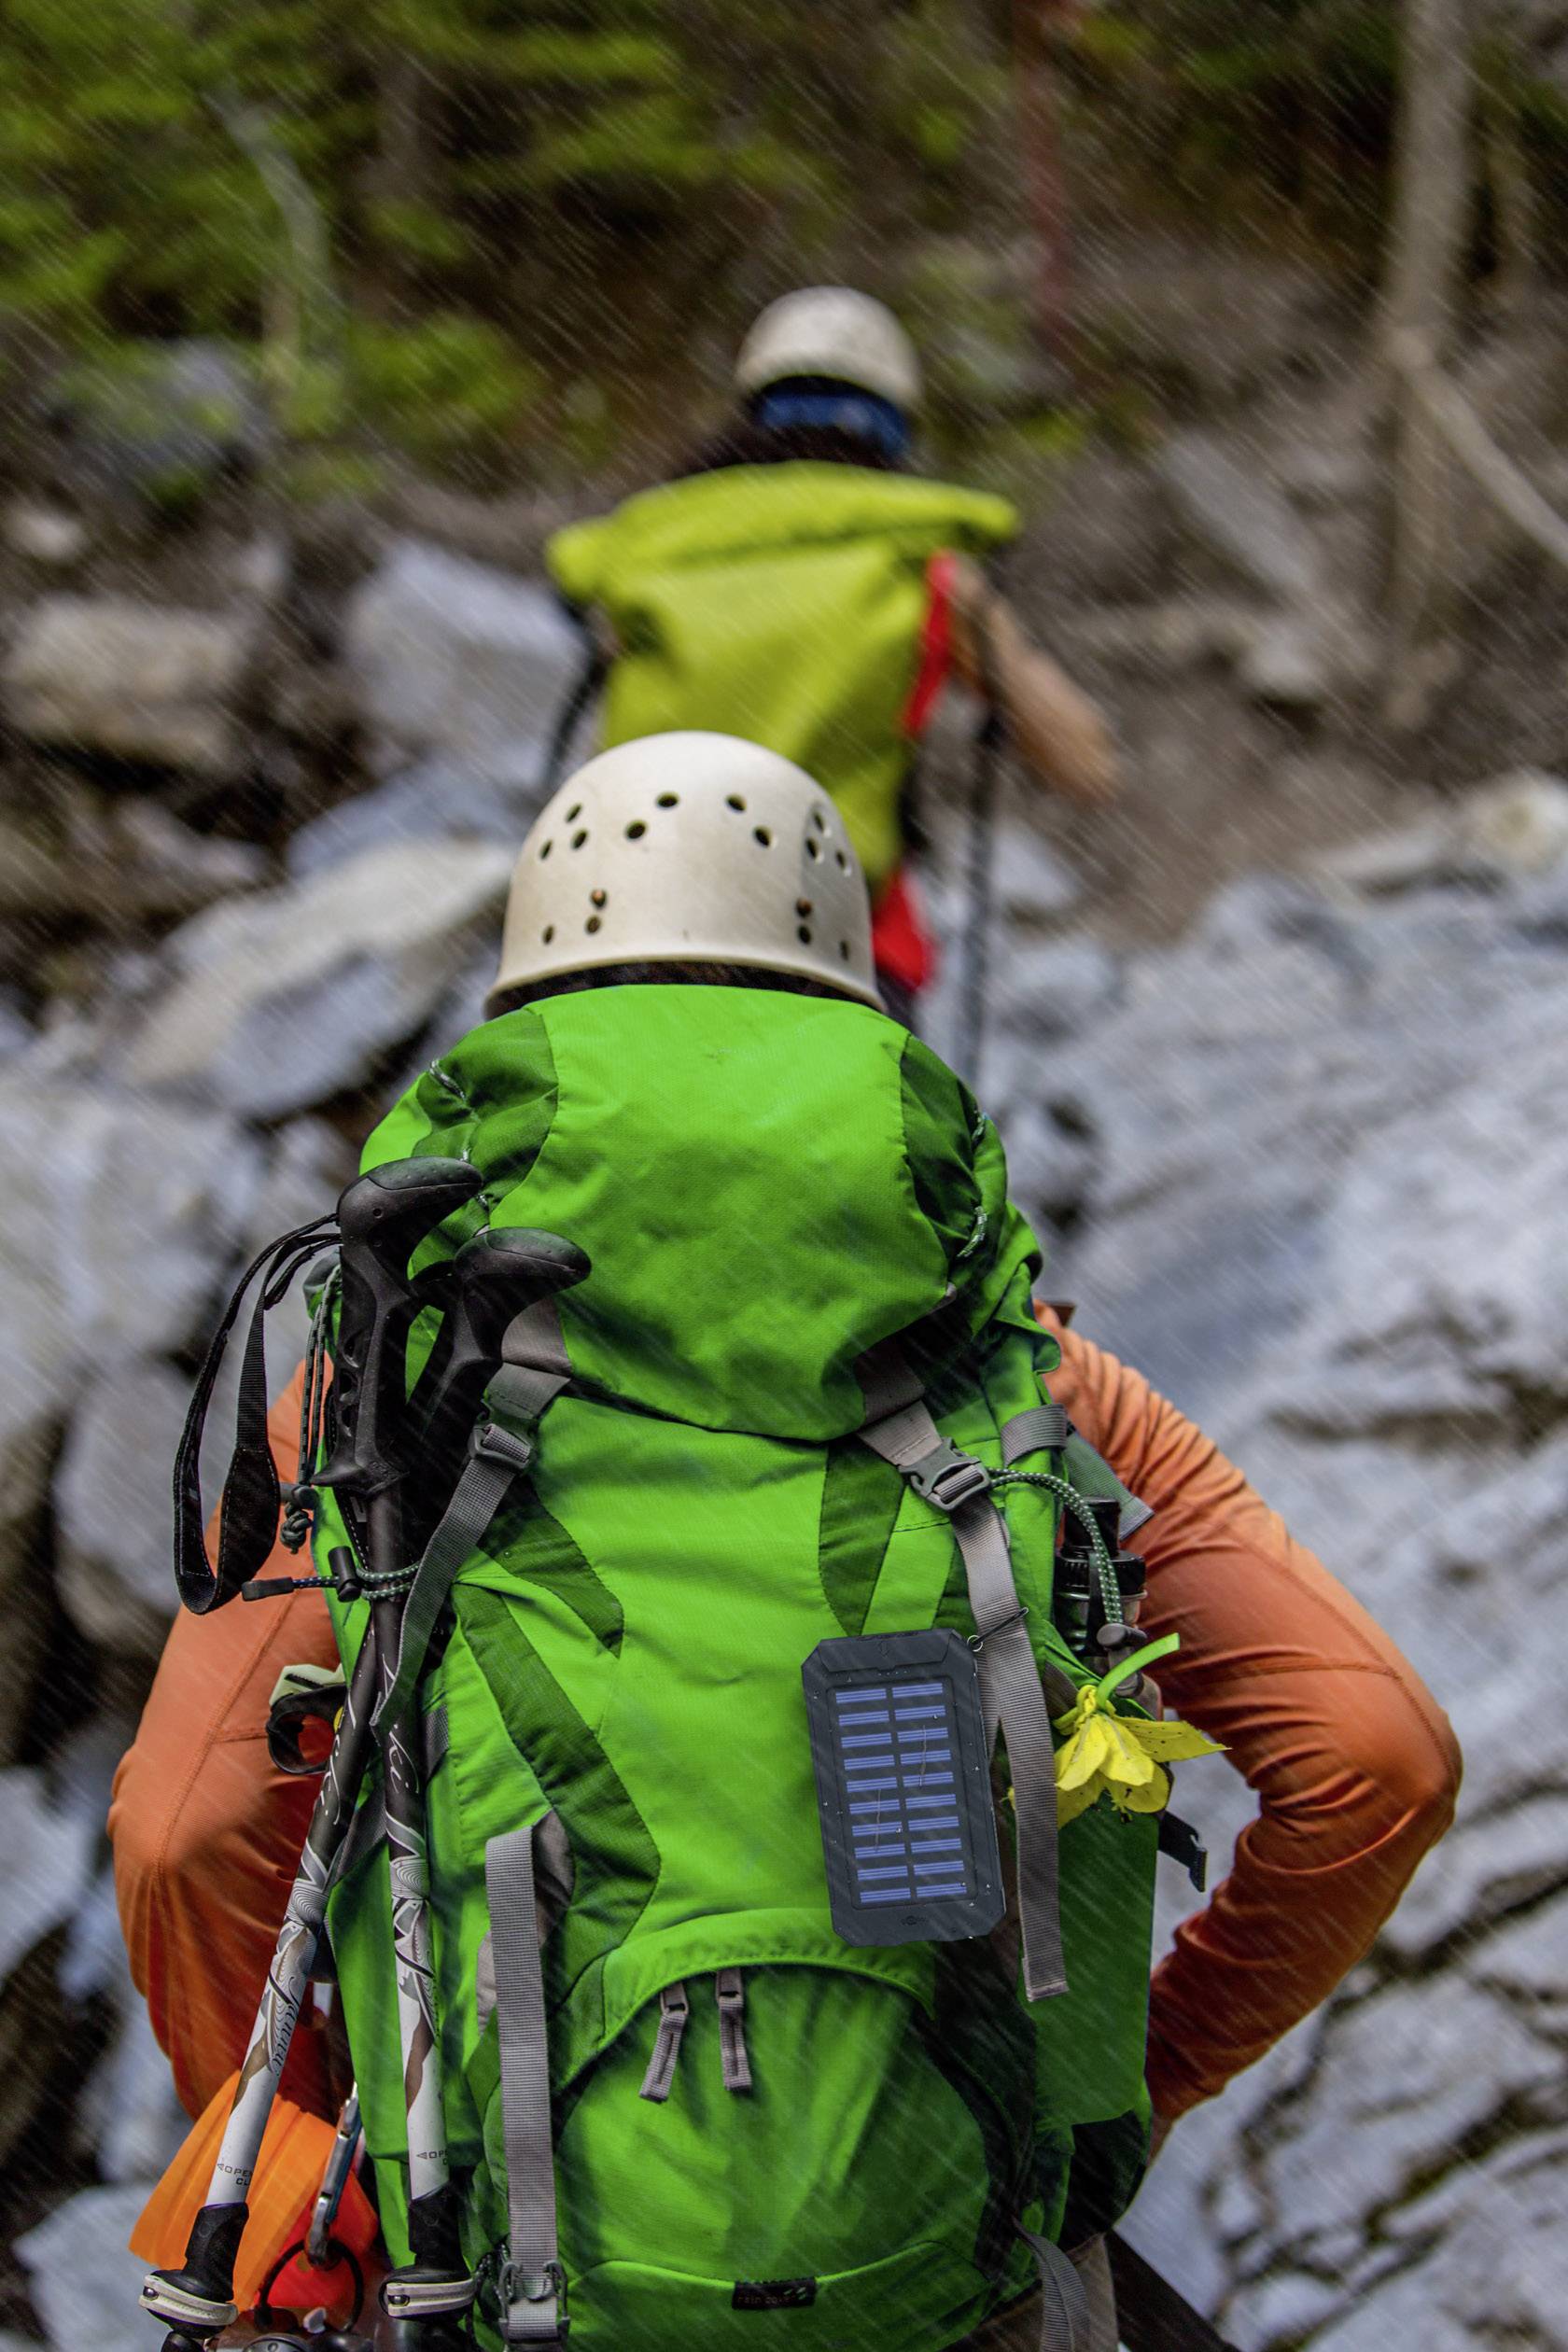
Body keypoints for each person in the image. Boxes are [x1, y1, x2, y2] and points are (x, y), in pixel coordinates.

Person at [111, 735, 1459, 2351]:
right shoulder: (1029, 1380)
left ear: (529, 989)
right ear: (846, 991)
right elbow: (1378, 1759)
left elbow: (185, 1835)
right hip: (946, 2267)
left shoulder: (391, 1378)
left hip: (508, 2273)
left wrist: (317, 2143)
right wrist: (1109, 2095)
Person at [545, 287, 1119, 1021]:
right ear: (893, 427)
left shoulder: (639, 560)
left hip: (635, 952)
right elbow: (1085, 766)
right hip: (835, 962)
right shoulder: (925, 569)